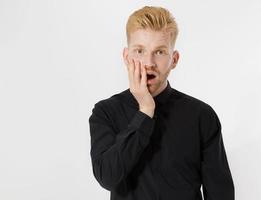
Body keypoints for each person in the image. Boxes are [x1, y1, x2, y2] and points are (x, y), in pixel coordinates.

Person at [88, 6, 234, 200]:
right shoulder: (106, 112)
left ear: (174, 59)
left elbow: (220, 194)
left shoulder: (202, 116)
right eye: (139, 50)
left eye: (159, 52)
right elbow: (107, 177)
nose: (148, 62)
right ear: (126, 56)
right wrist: (145, 111)